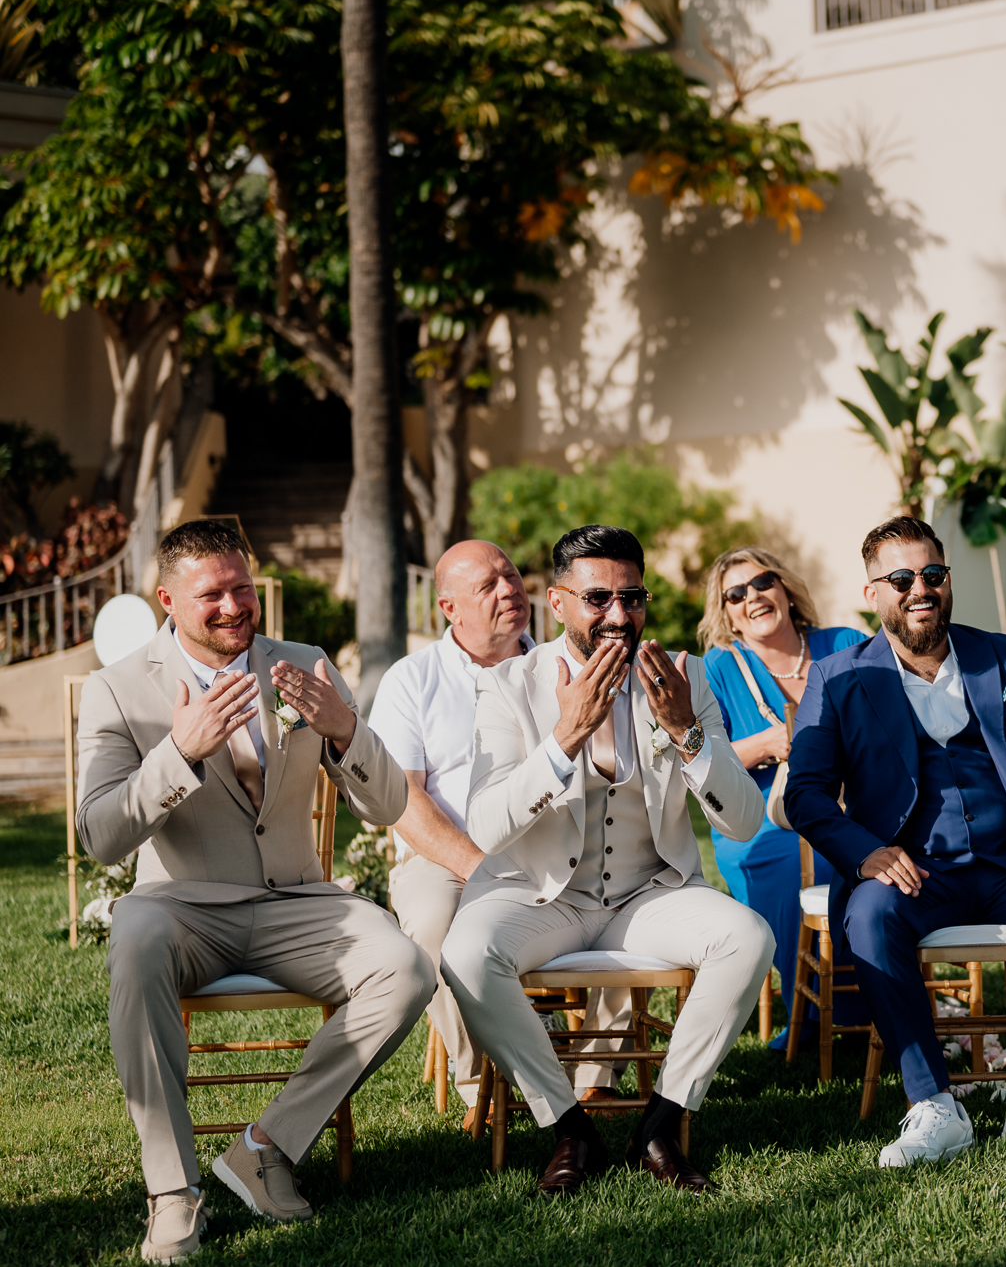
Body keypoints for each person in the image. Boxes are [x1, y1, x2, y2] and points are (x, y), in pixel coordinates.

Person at [76, 519, 433, 1262]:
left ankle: (264, 1148)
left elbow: (391, 802)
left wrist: (343, 731)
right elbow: (99, 834)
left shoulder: (304, 663)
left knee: (406, 969)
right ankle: (172, 1193)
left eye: (243, 586)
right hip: (182, 905)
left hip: (300, 903)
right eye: (213, 594)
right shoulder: (117, 689)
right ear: (168, 599)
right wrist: (180, 750)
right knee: (134, 939)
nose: (235, 605)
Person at [785, 516, 1006, 1167]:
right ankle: (933, 1107)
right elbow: (806, 791)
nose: (920, 588)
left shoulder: (1002, 655)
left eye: (933, 574)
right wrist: (864, 850)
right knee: (867, 913)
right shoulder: (838, 676)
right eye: (902, 578)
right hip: (915, 875)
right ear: (873, 593)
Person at [441, 525, 774, 1198]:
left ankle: (663, 1121)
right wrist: (564, 737)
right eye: (599, 598)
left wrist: (686, 730)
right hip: (540, 896)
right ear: (557, 602)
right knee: (466, 954)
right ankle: (569, 1127)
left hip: (644, 895)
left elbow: (742, 819)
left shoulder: (682, 675)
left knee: (748, 937)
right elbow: (485, 822)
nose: (619, 615)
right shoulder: (508, 685)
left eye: (632, 596)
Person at [370, 540, 633, 1124]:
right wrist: (474, 866)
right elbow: (401, 798)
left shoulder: (569, 663)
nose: (509, 591)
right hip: (446, 858)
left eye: (511, 577)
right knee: (434, 916)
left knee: (623, 883)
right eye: (486, 585)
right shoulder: (412, 680)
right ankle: (484, 1086)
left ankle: (596, 1079)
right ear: (448, 608)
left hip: (560, 845)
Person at [697, 547, 866, 1050]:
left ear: (786, 587)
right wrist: (769, 744)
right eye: (736, 593)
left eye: (763, 582)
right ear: (725, 612)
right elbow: (705, 757)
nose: (753, 597)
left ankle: (870, 1005)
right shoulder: (719, 668)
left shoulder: (846, 645)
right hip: (761, 817)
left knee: (858, 856)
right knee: (785, 861)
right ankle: (815, 1015)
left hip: (847, 804)